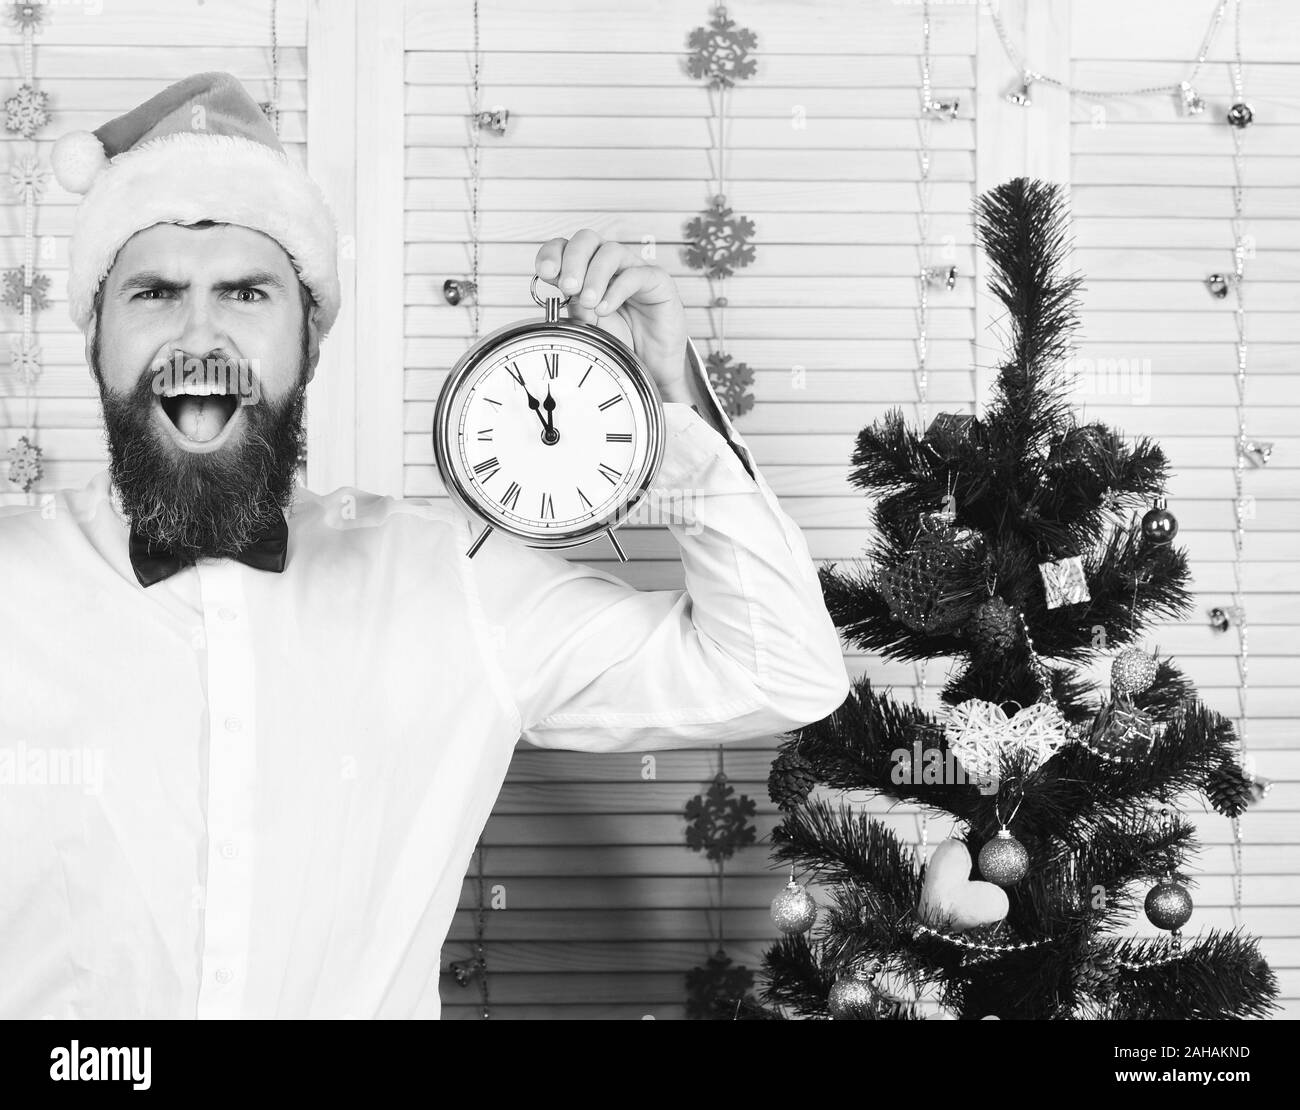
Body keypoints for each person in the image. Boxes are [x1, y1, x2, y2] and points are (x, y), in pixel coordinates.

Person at [0, 73, 850, 1018]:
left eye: (246, 292)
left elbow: (782, 672)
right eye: (154, 292)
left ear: (308, 345)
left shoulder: (451, 575)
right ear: (96, 342)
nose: (200, 333)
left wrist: (669, 407)